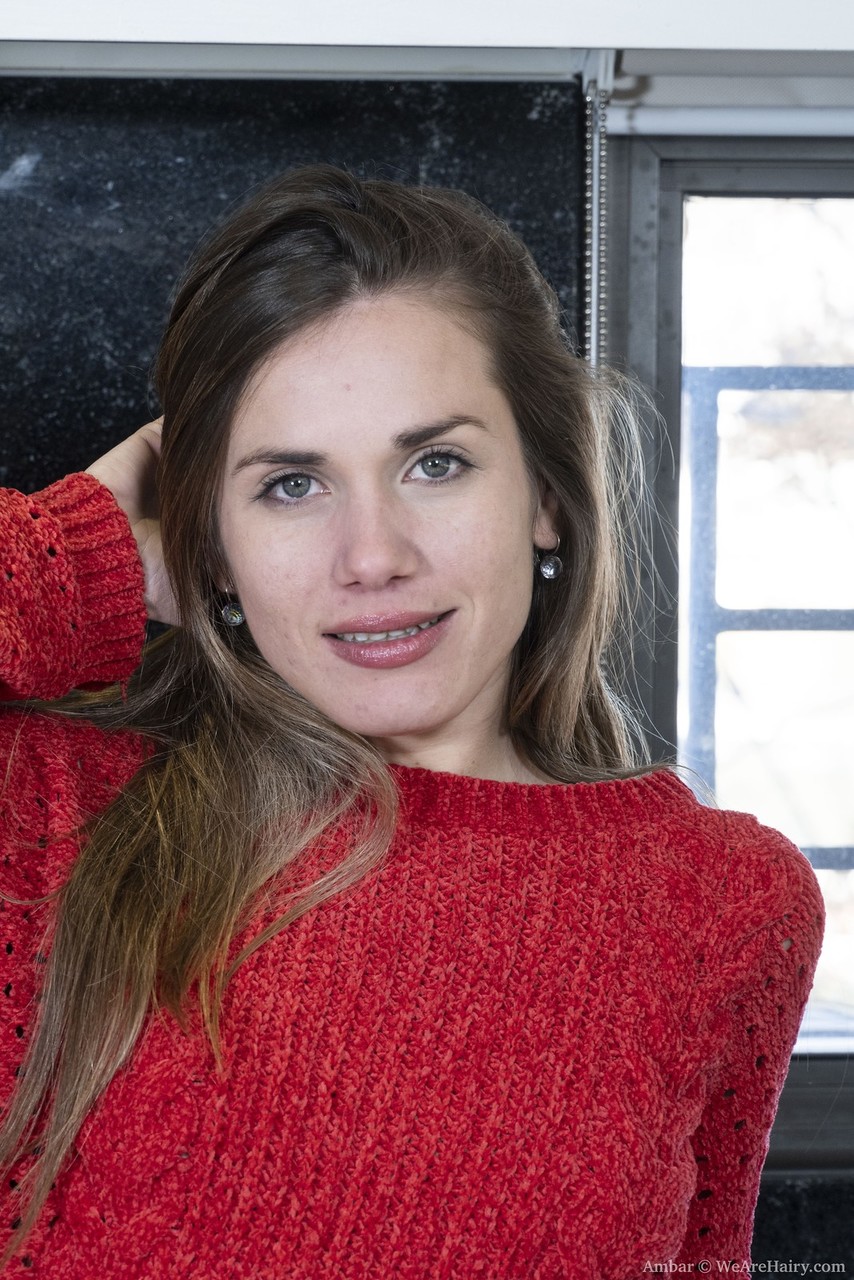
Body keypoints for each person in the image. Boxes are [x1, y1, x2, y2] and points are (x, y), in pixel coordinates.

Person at [0, 164, 823, 1278]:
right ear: (213, 547)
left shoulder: (727, 902)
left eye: (435, 464)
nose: (372, 556)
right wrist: (79, 557)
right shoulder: (53, 810)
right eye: (291, 485)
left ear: (544, 495)